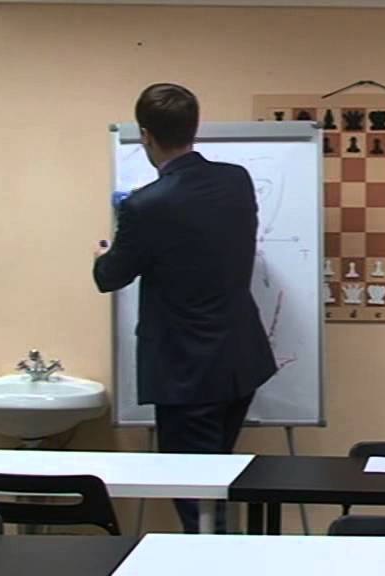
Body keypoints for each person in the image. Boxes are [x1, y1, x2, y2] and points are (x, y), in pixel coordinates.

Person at [93, 83, 277, 533]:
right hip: (240, 362)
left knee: (197, 500)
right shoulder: (236, 180)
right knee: (214, 486)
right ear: (194, 128)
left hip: (187, 375)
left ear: (145, 135)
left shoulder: (144, 206)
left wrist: (104, 252)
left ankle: (215, 561)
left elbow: (110, 277)